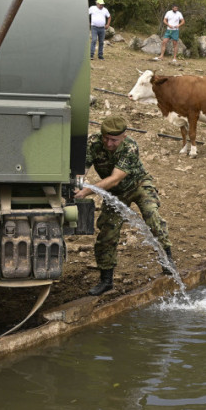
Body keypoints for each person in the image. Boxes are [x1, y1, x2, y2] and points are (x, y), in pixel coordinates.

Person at [74, 116, 173, 295]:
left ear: (124, 136)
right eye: (106, 138)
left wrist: (85, 192)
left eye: (114, 140)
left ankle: (168, 263)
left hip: (138, 186)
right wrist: (78, 183)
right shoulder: (93, 142)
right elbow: (82, 168)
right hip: (115, 193)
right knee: (107, 233)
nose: (109, 143)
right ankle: (106, 280)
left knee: (152, 217)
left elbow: (115, 179)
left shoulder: (130, 147)